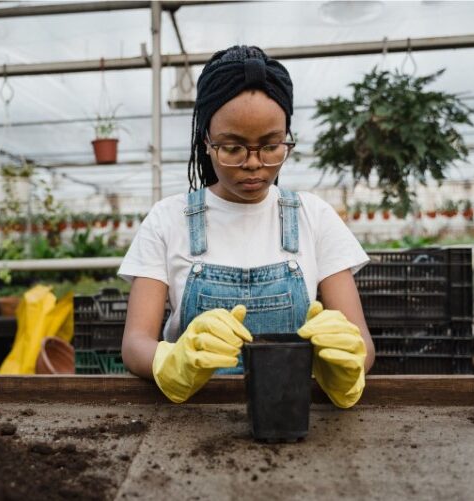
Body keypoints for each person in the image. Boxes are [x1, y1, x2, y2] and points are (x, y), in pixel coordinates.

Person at [118, 45, 375, 408]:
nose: (254, 164)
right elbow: (134, 344)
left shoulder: (313, 216)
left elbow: (361, 342)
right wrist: (171, 360)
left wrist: (345, 363)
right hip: (194, 421)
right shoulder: (167, 219)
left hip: (291, 414)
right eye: (233, 148)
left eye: (271, 146)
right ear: (205, 141)